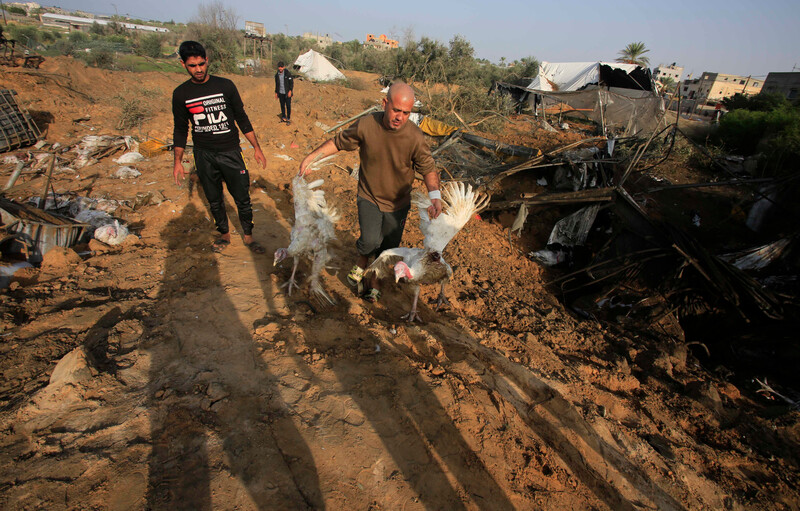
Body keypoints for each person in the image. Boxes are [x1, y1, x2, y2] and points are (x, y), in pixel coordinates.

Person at [298, 82, 442, 302]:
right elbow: (339, 142)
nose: (399, 117)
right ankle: (362, 261)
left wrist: (435, 197)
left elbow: (428, 168)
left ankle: (373, 279)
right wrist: (311, 158)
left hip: (398, 204)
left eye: (406, 113)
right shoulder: (366, 125)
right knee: (368, 240)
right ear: (385, 104)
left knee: (387, 249)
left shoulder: (414, 137)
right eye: (396, 110)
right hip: (369, 196)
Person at [172, 40, 267, 254]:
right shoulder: (181, 94)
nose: (198, 69)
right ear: (183, 65)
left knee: (242, 197)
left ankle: (249, 237)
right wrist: (177, 162)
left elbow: (242, 119)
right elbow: (180, 129)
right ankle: (224, 235)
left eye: (201, 64)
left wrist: (256, 148)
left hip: (231, 151)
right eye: (192, 66)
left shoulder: (225, 86)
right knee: (214, 199)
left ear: (207, 61)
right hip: (204, 155)